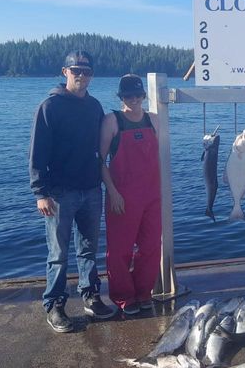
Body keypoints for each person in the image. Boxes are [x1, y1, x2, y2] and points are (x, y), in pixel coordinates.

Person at [29, 50, 117, 333]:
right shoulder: (49, 106)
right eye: (76, 70)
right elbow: (37, 154)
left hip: (91, 189)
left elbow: (103, 144)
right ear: (64, 72)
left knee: (89, 249)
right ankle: (55, 305)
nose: (81, 75)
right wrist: (40, 192)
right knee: (58, 254)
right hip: (59, 194)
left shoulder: (94, 106)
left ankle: (90, 295)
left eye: (87, 71)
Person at [100, 74, 162, 315]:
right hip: (122, 197)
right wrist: (112, 192)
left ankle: (143, 293)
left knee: (150, 248)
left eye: (138, 95)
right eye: (128, 96)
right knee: (119, 250)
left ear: (144, 96)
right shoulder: (111, 121)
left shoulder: (155, 120)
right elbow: (100, 161)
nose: (134, 100)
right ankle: (124, 297)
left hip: (151, 196)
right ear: (121, 97)